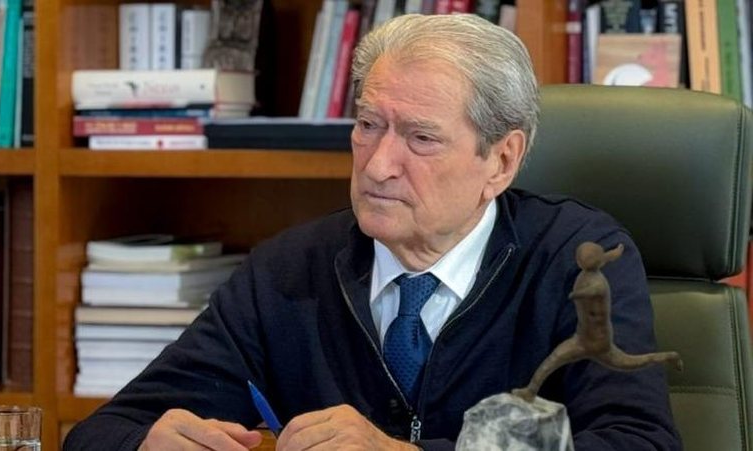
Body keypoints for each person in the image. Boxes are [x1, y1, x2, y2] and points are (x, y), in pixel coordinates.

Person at [64, 13, 681, 451]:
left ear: (501, 161)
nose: (379, 163)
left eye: (421, 137)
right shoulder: (288, 270)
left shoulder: (575, 259)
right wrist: (143, 442)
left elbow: (638, 441)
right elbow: (100, 432)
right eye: (368, 125)